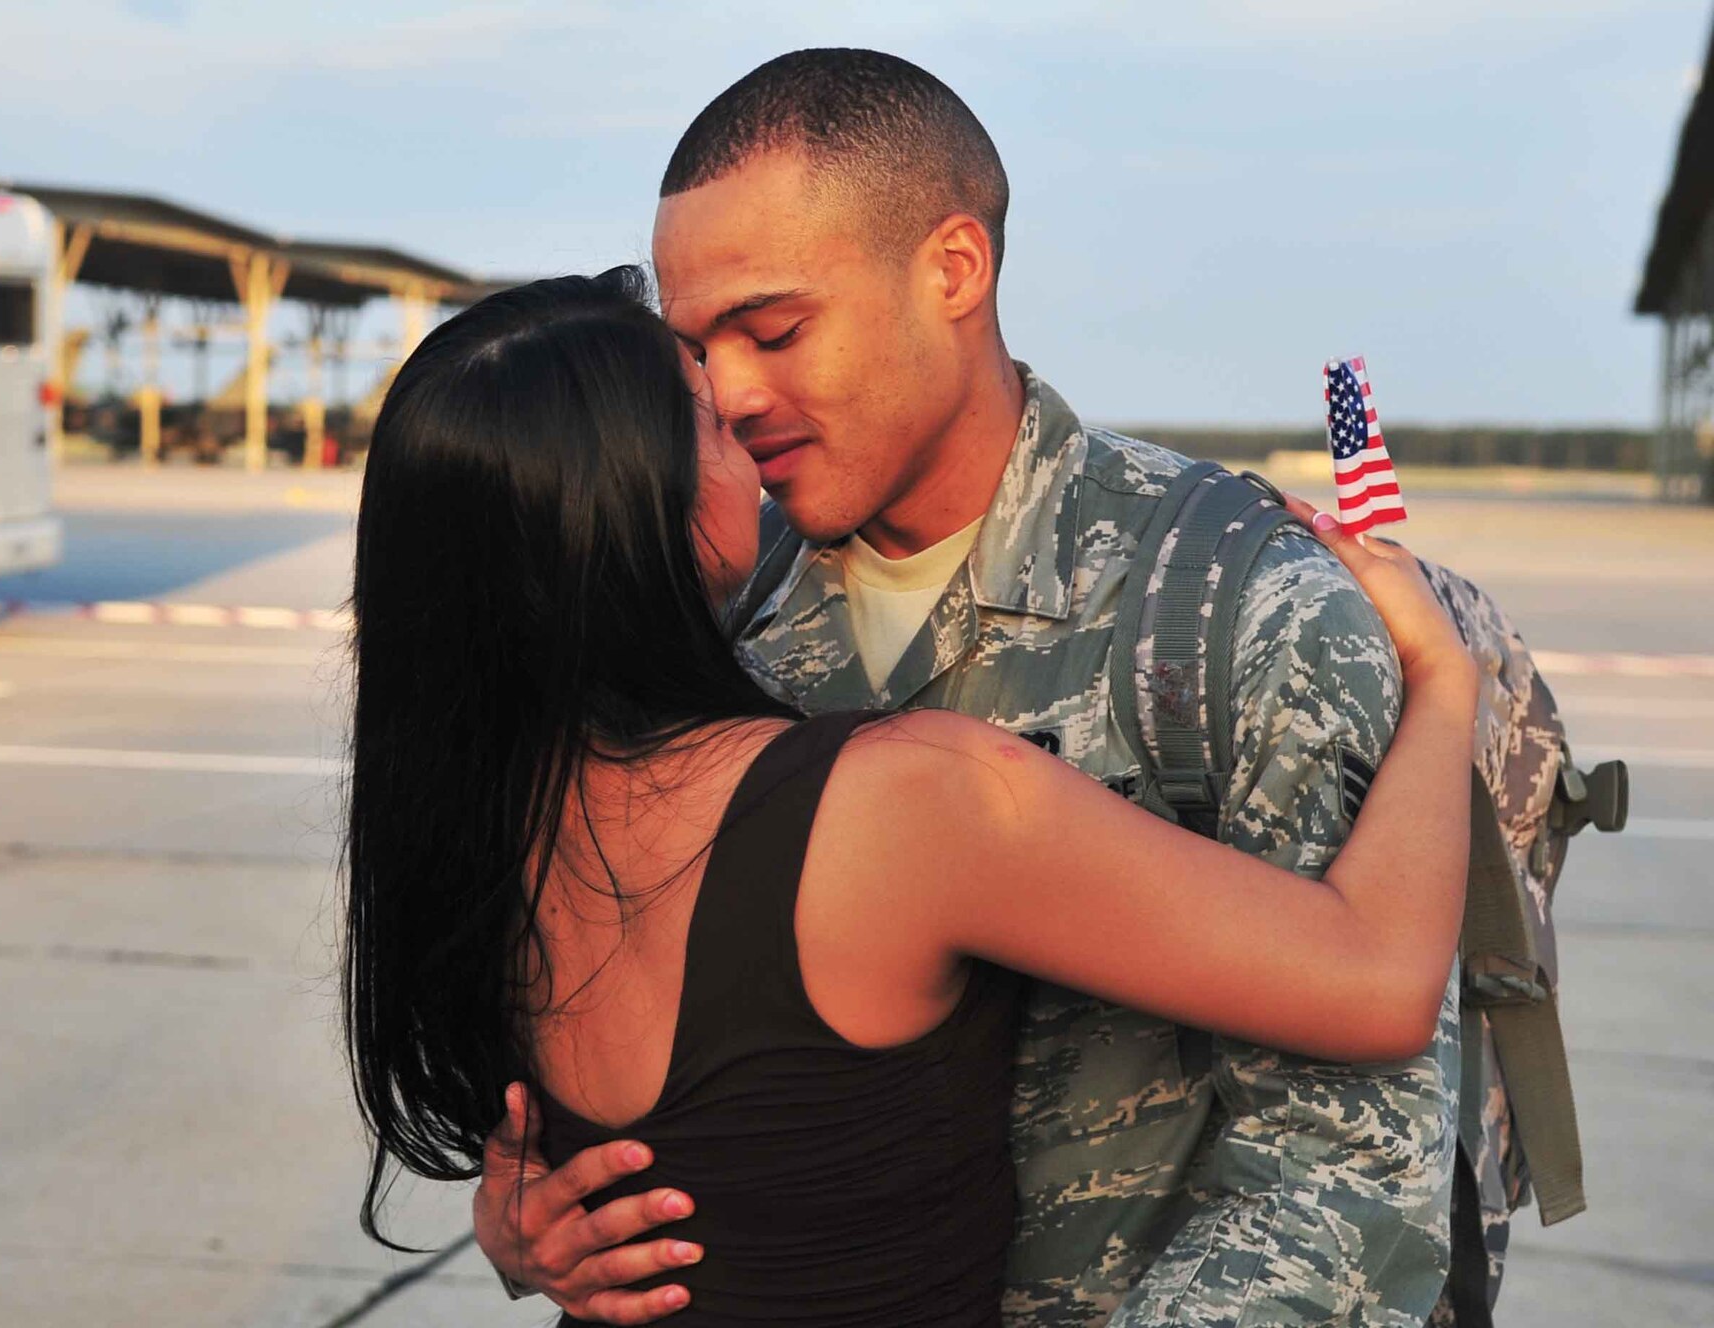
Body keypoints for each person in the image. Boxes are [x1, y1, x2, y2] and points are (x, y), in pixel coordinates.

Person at [471, 50, 1465, 1328]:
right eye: (695, 350)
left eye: (773, 329)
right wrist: (533, 1214)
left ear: (952, 269)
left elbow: (1349, 1164)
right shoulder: (711, 613)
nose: (728, 394)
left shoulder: (1234, 609)